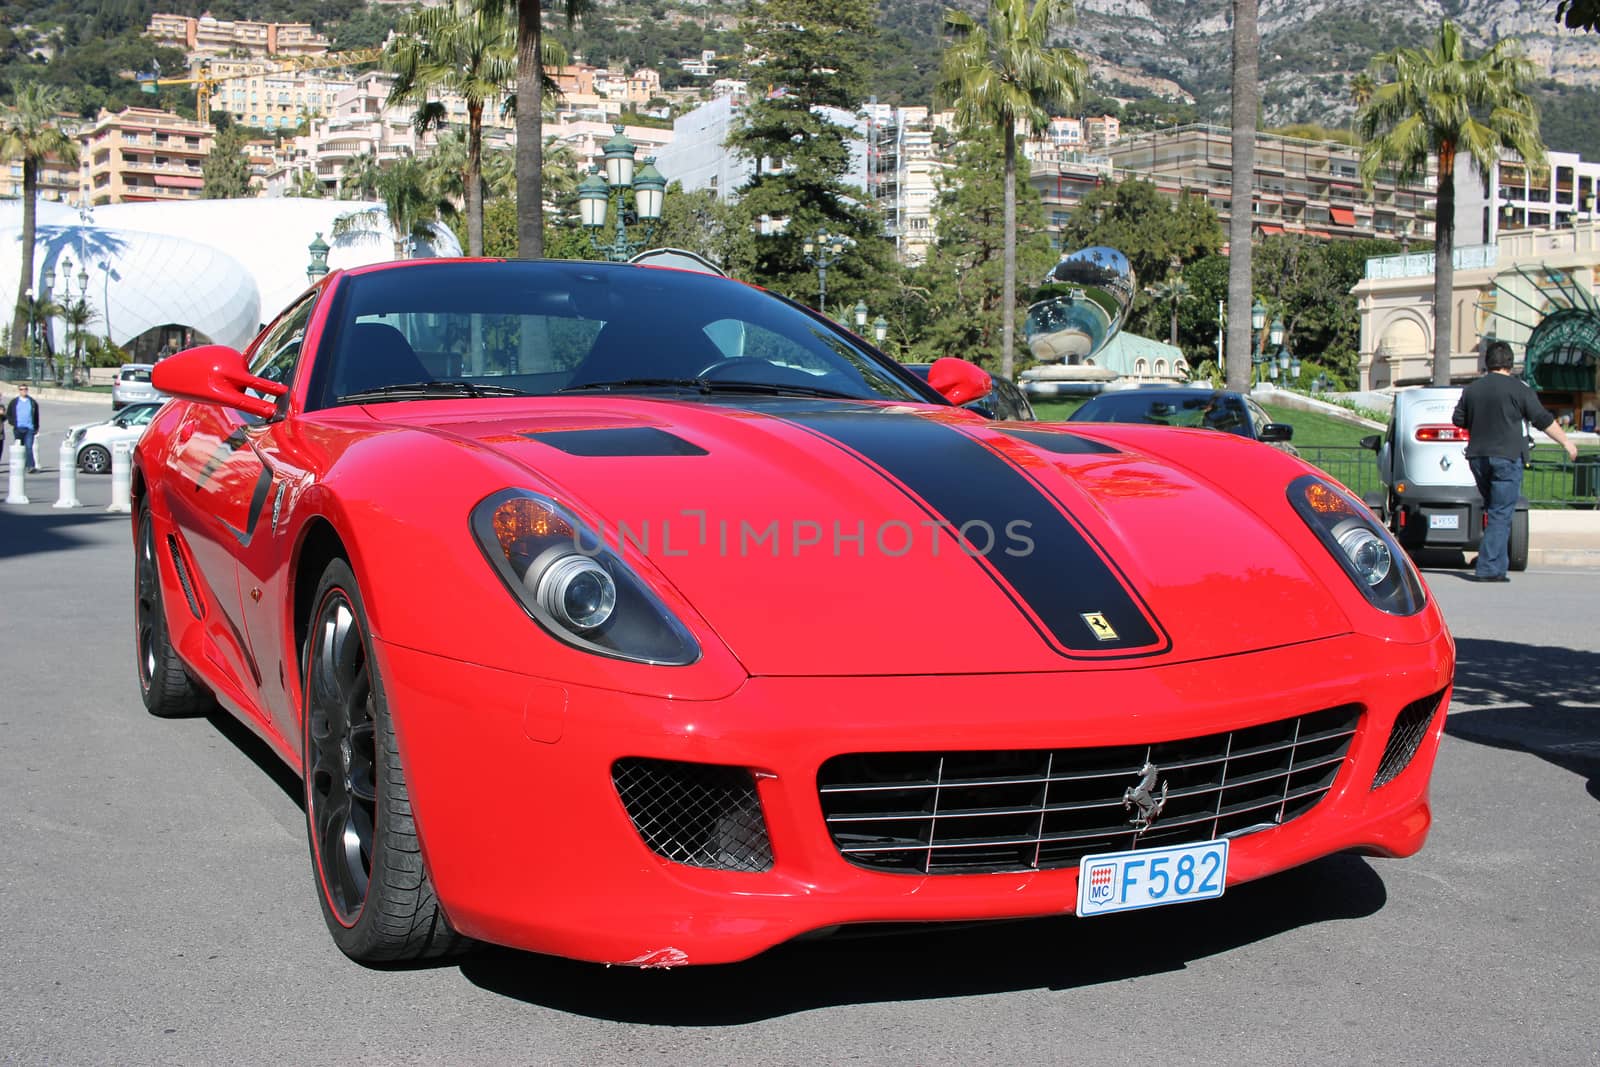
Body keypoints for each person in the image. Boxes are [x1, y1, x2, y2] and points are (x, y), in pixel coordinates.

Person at [1451, 340, 1578, 582]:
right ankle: (1488, 567)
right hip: (1506, 457)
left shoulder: (1472, 390)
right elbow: (1542, 419)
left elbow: (1458, 419)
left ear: (1488, 362)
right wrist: (1566, 443)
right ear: (1510, 363)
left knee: (1494, 509)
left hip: (1478, 458)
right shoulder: (1518, 389)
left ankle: (1497, 565)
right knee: (1500, 512)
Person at [5, 382, 41, 473]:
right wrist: (13, 423)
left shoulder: (32, 402)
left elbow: (36, 416)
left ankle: (30, 466)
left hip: (29, 428)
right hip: (18, 428)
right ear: (19, 391)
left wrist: (36, 427)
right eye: (21, 389)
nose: (24, 391)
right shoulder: (14, 402)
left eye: (25, 389)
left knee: (29, 447)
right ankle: (21, 465)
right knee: (20, 448)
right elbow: (9, 413)